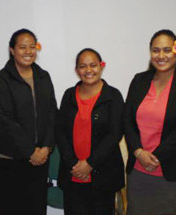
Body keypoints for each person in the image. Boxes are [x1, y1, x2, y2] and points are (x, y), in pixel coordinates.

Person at [124, 29, 176, 215]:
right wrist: (139, 152)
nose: (161, 55)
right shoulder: (139, 80)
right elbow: (127, 120)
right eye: (155, 50)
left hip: (174, 172)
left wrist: (156, 156)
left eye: (167, 50)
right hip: (139, 170)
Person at [0, 28, 57, 215]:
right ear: (12, 50)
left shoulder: (43, 76)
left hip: (40, 159)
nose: (28, 51)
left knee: (36, 209)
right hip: (10, 160)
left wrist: (46, 147)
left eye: (32, 47)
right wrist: (30, 151)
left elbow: (52, 113)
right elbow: (4, 121)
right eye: (22, 47)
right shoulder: (2, 79)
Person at [56, 48, 124, 215]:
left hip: (103, 176)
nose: (88, 70)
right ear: (76, 70)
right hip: (72, 175)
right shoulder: (69, 95)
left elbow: (115, 134)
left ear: (101, 66)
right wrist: (74, 165)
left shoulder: (113, 96)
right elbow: (60, 131)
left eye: (93, 65)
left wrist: (89, 164)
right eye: (83, 66)